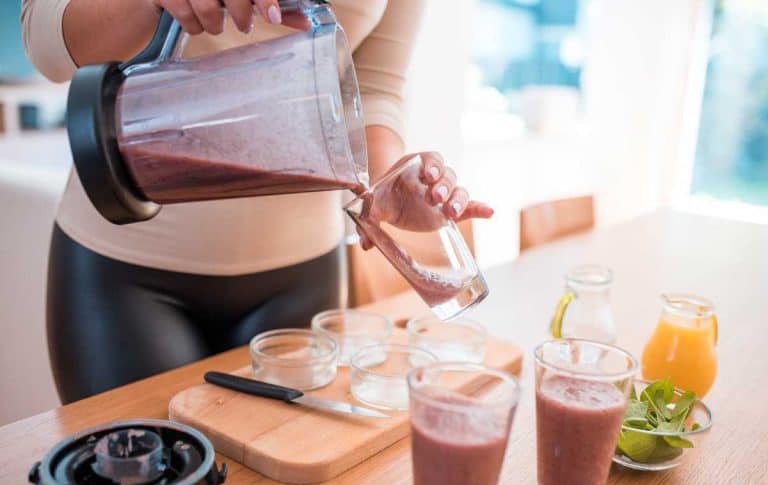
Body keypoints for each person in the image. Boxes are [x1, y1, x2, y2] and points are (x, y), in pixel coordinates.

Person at [21, 0, 493, 403]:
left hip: (302, 280)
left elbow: (373, 88)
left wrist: (392, 180)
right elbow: (45, 40)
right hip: (127, 275)